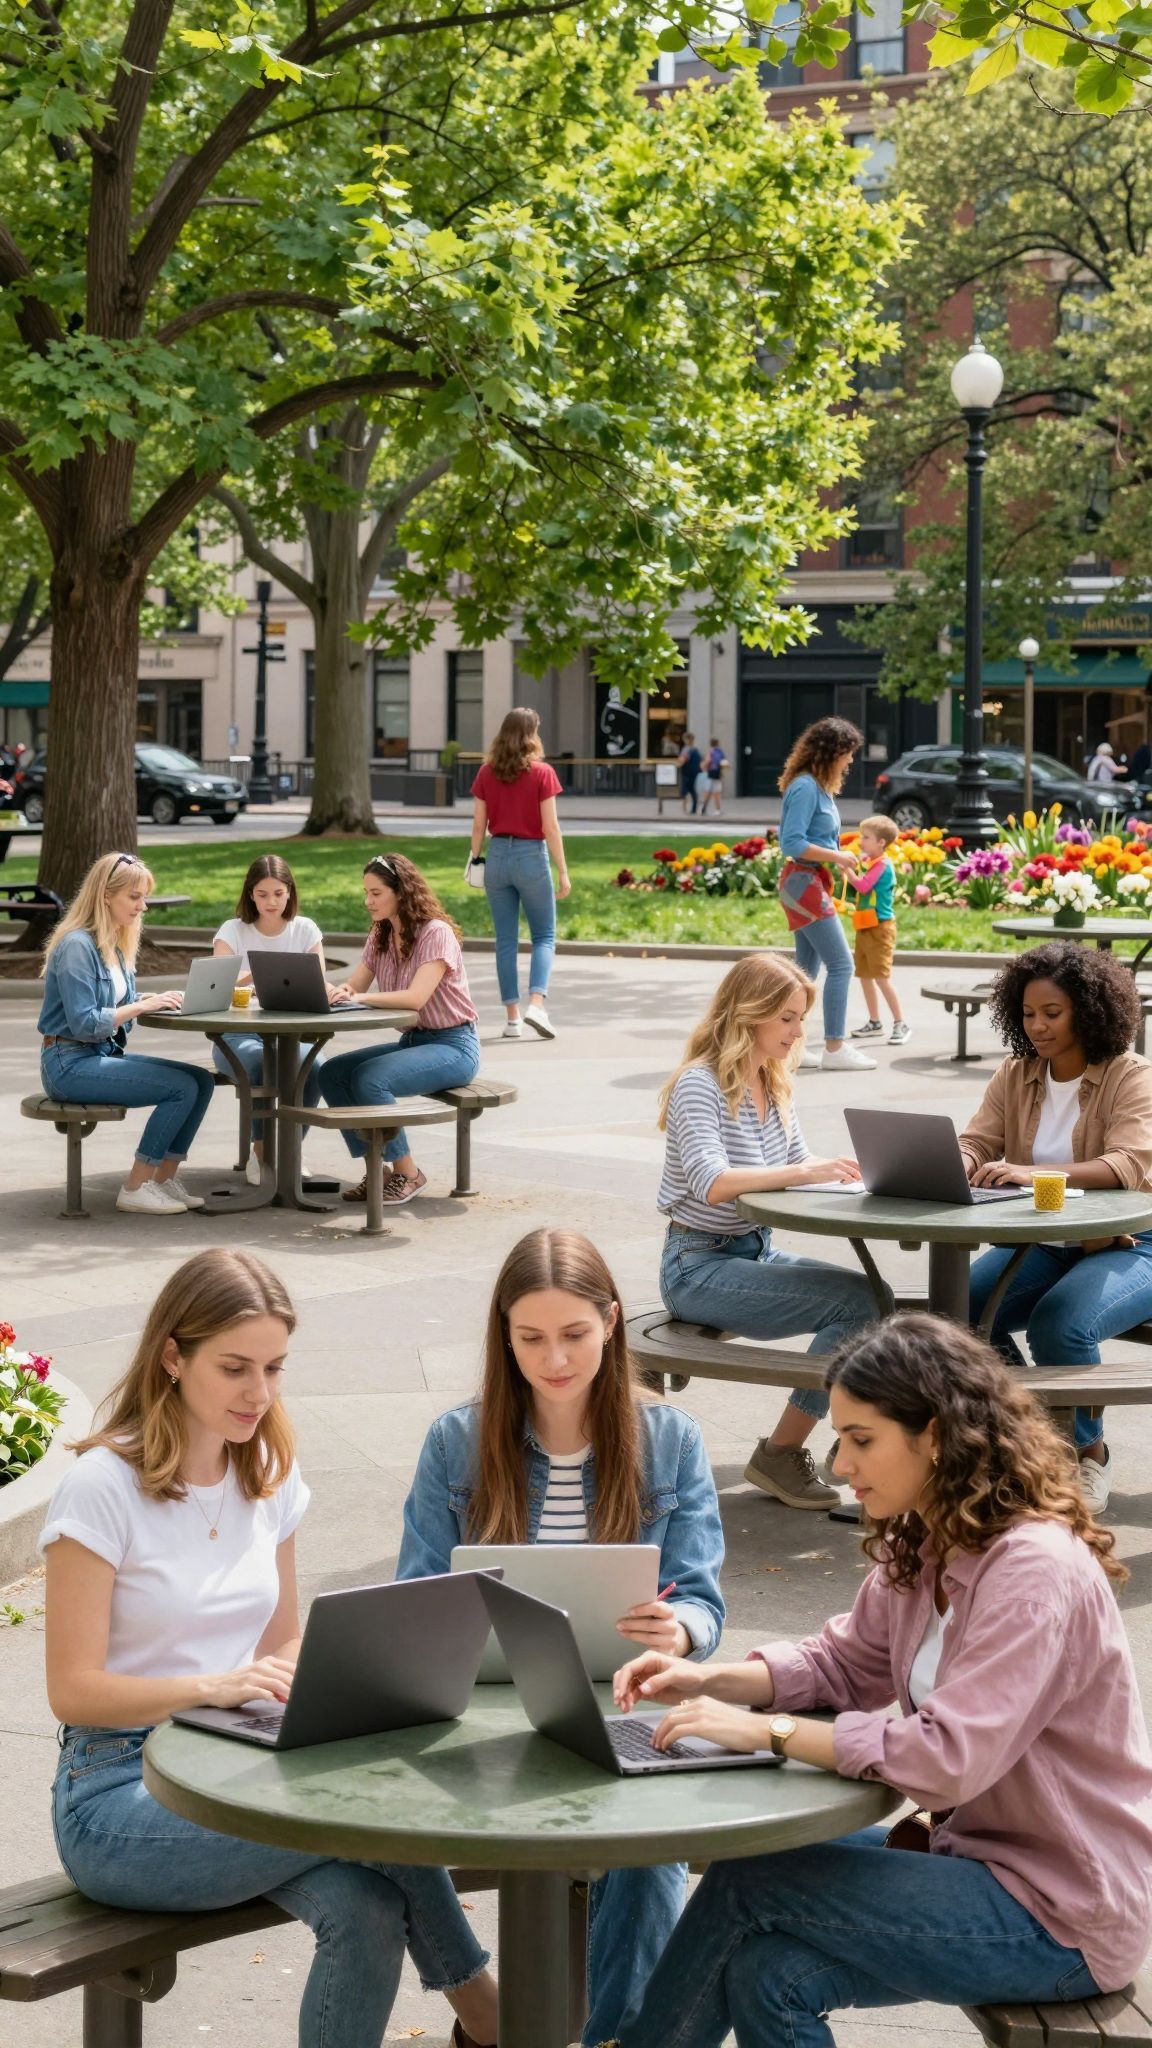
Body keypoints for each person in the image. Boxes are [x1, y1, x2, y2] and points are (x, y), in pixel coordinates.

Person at [605, 1312, 1152, 2048]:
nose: (839, 1465)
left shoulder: (1032, 1572)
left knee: (754, 1882)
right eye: (840, 1438)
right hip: (979, 1863)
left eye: (862, 1440)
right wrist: (707, 1680)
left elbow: (945, 1761)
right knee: (770, 1972)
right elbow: (844, 1662)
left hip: (1059, 1912)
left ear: (933, 1435)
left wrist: (770, 1731)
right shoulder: (932, 1537)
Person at [40, 1248, 500, 2048]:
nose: (259, 1393)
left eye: (275, 1368)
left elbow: (281, 1643)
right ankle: (496, 2018)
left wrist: (321, 1688)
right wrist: (210, 1686)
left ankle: (496, 2021)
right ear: (173, 1357)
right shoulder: (101, 1488)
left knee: (366, 1906)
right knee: (366, 1813)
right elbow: (72, 1691)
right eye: (235, 1368)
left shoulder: (269, 1474)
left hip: (238, 1760)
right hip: (115, 1797)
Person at [398, 1225, 725, 2048]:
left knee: (649, 1849)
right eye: (530, 1339)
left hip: (623, 1702)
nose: (554, 1361)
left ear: (612, 1322)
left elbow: (704, 1605)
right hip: (485, 1705)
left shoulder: (670, 1440)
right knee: (378, 1813)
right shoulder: (458, 1442)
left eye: (574, 1335)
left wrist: (677, 1630)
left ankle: (615, 2037)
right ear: (503, 1336)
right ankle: (490, 2007)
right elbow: (410, 1600)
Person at [657, 955, 883, 1512]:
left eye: (799, 1018)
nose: (799, 1032)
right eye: (786, 1018)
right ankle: (784, 1452)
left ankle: (852, 1433)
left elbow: (796, 1163)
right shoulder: (698, 1085)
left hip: (753, 1250)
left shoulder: (770, 1080)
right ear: (748, 1014)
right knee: (857, 1307)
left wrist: (847, 1176)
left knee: (875, 1299)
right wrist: (807, 1172)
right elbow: (713, 1184)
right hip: (697, 1265)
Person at [960, 940, 1152, 1513]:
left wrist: (1029, 1171)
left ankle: (1087, 1455)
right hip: (1046, 1240)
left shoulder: (1130, 1075)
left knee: (1060, 1326)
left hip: (1134, 1241)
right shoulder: (1017, 1073)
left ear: (1088, 1011)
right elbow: (977, 1139)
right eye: (1027, 1014)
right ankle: (1037, 1438)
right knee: (961, 1314)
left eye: (1052, 1013)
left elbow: (1129, 1166)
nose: (1037, 1026)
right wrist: (962, 1162)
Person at [38, 851, 214, 1216]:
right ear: (106, 894)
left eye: (144, 897)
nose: (142, 907)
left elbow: (117, 1001)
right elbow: (85, 1022)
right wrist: (141, 1007)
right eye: (134, 897)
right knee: (179, 1087)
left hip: (97, 1055)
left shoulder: (113, 944)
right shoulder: (76, 946)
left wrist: (151, 999)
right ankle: (135, 1187)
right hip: (67, 1064)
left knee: (201, 1080)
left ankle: (162, 1180)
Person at [320, 853, 481, 1208]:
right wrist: (343, 992)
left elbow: (416, 998)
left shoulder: (434, 933)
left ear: (401, 891)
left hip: (454, 1046)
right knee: (333, 1073)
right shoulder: (381, 933)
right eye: (366, 893)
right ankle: (378, 1173)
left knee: (372, 1078)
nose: (369, 901)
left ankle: (408, 1172)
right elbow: (355, 983)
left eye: (376, 893)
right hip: (414, 1041)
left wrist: (360, 996)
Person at [212, 854, 327, 1184]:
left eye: (278, 893)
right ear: (250, 894)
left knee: (316, 1068)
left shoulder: (305, 930)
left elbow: (314, 986)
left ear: (289, 892)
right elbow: (216, 986)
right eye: (262, 894)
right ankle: (262, 1154)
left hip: (289, 1038)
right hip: (234, 1038)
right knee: (263, 1063)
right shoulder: (232, 931)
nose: (271, 902)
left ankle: (286, 1150)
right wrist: (246, 979)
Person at [777, 717, 875, 1073]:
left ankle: (790, 1046)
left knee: (804, 971)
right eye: (846, 755)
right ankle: (834, 1046)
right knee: (841, 964)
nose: (849, 762)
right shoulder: (806, 788)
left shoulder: (815, 787)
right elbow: (792, 841)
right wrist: (837, 856)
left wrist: (841, 863)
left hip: (807, 882)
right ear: (830, 753)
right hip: (803, 885)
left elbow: (817, 841)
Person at [469, 706, 570, 1041]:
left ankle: (512, 1018)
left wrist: (476, 859)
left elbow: (479, 825)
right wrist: (563, 871)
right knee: (543, 936)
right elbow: (550, 827)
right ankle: (536, 1004)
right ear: (532, 734)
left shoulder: (486, 773)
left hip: (497, 855)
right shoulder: (542, 774)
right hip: (531, 856)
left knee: (505, 941)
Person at [845, 815, 909, 1046]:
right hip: (865, 925)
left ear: (881, 842)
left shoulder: (883, 865)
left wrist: (847, 870)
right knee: (864, 975)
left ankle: (900, 1022)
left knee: (881, 977)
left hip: (880, 927)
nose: (861, 841)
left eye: (866, 837)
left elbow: (863, 886)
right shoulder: (873, 862)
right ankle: (874, 1022)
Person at [700, 738, 728, 817]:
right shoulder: (720, 751)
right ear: (718, 743)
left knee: (708, 791)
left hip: (711, 772)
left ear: (710, 744)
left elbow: (708, 761)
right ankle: (718, 810)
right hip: (718, 773)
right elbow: (724, 762)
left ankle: (703, 808)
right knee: (717, 792)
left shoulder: (711, 751)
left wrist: (703, 766)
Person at [678, 732, 702, 815]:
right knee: (692, 790)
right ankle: (694, 808)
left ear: (687, 739)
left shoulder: (686, 749)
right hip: (694, 773)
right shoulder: (695, 749)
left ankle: (684, 809)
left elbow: (682, 760)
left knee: (684, 791)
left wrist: (678, 764)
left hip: (686, 772)